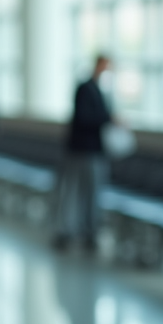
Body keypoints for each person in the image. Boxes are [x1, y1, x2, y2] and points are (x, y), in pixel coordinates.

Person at [53, 55, 114, 253]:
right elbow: (84, 117)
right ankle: (67, 231)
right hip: (81, 150)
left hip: (94, 150)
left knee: (92, 193)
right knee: (73, 192)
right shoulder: (85, 89)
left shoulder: (100, 90)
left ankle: (89, 232)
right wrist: (108, 118)